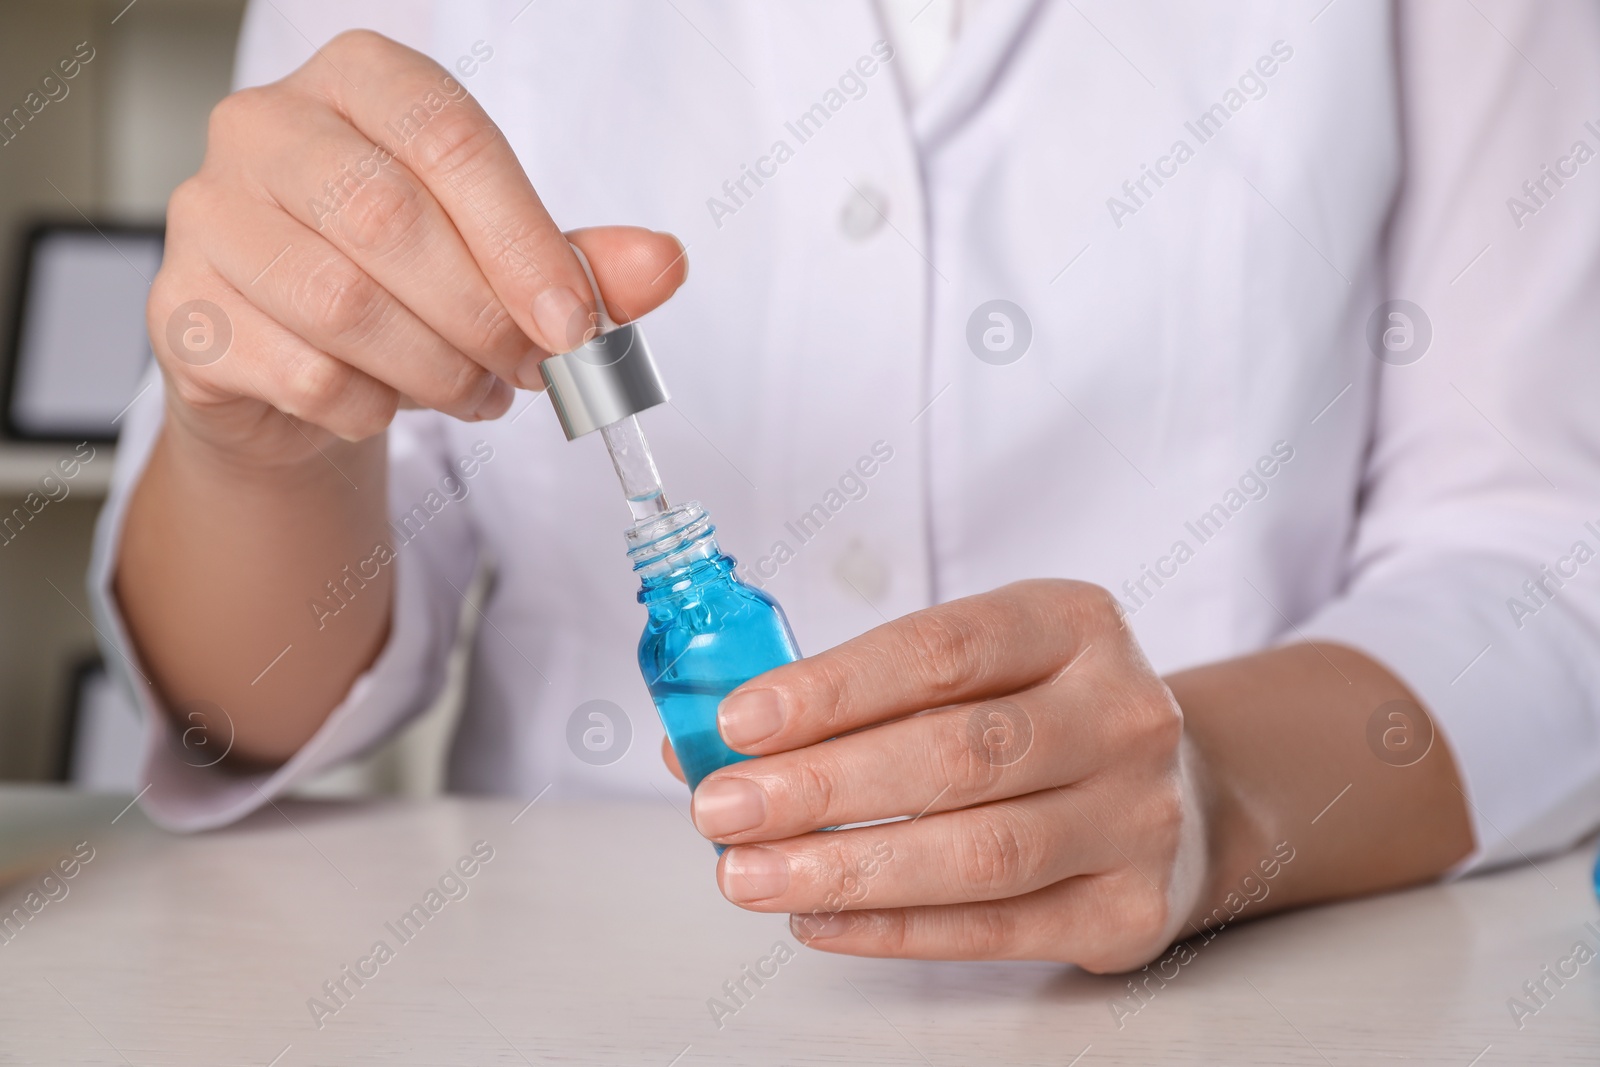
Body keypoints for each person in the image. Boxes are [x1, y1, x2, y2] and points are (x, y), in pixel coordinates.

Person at [94, 0, 1600, 972]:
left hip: (1237, 999)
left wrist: (1213, 789)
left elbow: (1538, 546)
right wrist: (257, 446)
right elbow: (249, 710)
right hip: (561, 990)